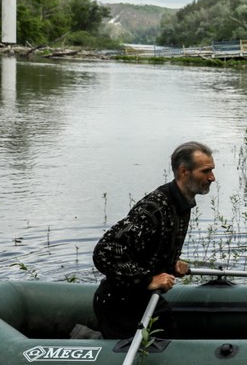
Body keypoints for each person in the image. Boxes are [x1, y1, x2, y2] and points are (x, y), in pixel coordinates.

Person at [92, 142, 216, 339]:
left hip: (145, 299)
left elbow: (144, 249)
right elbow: (105, 251)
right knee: (146, 364)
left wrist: (170, 263)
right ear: (184, 171)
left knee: (171, 346)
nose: (212, 178)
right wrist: (147, 280)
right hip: (120, 305)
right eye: (206, 171)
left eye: (212, 170)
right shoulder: (153, 208)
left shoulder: (182, 203)